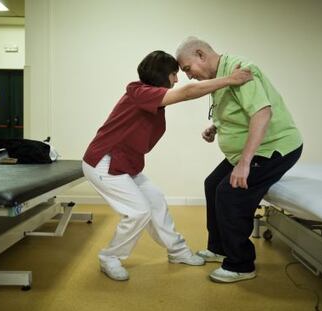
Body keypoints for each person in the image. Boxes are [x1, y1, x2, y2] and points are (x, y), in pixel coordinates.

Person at [82, 50, 252, 281]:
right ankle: (110, 257)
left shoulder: (150, 97)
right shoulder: (139, 92)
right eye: (174, 74)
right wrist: (230, 79)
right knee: (138, 212)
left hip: (124, 164)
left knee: (156, 201)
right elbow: (188, 92)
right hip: (103, 162)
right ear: (163, 74)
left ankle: (178, 252)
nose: (177, 79)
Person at [176, 37, 303, 283]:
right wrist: (216, 126)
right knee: (212, 184)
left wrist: (245, 164)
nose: (189, 77)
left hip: (274, 148)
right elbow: (236, 108)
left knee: (229, 192)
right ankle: (219, 247)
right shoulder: (221, 76)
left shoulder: (241, 69)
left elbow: (261, 113)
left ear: (201, 54)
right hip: (251, 148)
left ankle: (241, 264)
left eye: (188, 69)